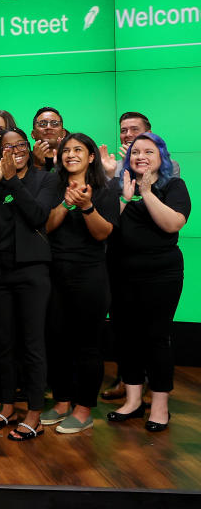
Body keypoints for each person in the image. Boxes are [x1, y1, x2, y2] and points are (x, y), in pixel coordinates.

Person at [0, 129, 58, 440]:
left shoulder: (45, 179)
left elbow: (38, 216)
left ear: (28, 147)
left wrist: (12, 181)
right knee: (4, 344)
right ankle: (7, 406)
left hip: (31, 272)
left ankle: (34, 412)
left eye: (20, 145)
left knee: (32, 344)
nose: (15, 151)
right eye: (6, 147)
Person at [107, 133, 189, 432]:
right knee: (126, 336)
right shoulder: (118, 187)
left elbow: (172, 224)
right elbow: (105, 229)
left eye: (149, 151)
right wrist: (125, 199)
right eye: (135, 151)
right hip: (119, 272)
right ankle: (132, 400)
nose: (140, 156)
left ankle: (159, 404)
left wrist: (147, 192)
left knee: (157, 337)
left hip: (161, 273)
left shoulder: (173, 185)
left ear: (162, 157)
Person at [42, 133, 118, 433]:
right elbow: (46, 226)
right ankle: (61, 402)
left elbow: (102, 233)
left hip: (90, 275)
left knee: (88, 345)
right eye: (66, 150)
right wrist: (66, 203)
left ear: (91, 157)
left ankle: (84, 409)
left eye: (78, 150)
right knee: (57, 340)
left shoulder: (105, 190)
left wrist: (86, 206)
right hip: (55, 272)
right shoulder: (53, 186)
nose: (70, 154)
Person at [101, 111, 181, 180]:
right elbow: (107, 196)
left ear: (149, 134)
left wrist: (132, 165)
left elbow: (164, 196)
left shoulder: (169, 165)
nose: (128, 134)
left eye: (135, 129)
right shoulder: (111, 168)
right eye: (123, 131)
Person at [31, 107, 66, 171]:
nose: (48, 127)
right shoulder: (23, 159)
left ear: (63, 133)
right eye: (42, 124)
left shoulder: (71, 158)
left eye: (54, 123)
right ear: (33, 134)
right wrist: (37, 165)